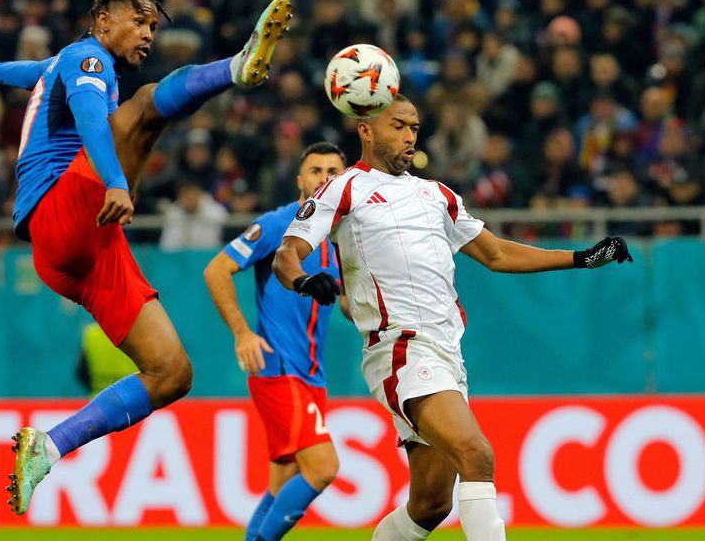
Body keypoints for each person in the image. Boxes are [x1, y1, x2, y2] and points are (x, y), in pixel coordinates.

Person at [0, 0, 293, 516]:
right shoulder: (90, 58)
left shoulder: (65, 62)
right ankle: (235, 67)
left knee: (172, 373)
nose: (149, 34)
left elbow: (32, 73)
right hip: (60, 214)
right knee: (138, 112)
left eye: (154, 26)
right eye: (140, 21)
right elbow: (90, 120)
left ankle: (51, 445)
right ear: (103, 21)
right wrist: (114, 180)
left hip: (80, 254)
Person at [271, 95, 632, 541]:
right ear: (365, 130)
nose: (409, 136)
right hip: (400, 348)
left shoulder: (436, 194)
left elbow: (497, 253)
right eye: (398, 126)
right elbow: (287, 255)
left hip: (446, 352)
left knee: (431, 504)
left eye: (415, 128)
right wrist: (304, 281)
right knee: (476, 453)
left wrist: (579, 257)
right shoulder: (343, 188)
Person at [203, 142, 350, 541]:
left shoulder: (342, 238)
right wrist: (242, 333)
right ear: (300, 180)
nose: (325, 178)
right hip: (280, 369)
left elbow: (350, 306)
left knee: (281, 484)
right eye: (316, 171)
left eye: (333, 171)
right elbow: (216, 270)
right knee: (322, 468)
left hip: (311, 376)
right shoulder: (277, 224)